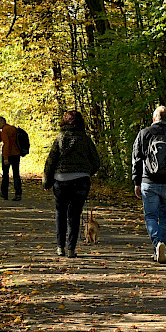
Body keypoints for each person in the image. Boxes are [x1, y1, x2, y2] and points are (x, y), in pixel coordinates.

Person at [131, 105, 166, 264]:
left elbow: (137, 160)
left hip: (149, 182)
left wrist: (136, 182)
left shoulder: (144, 134)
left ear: (154, 118)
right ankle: (161, 245)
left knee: (150, 216)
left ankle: (157, 243)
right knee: (165, 217)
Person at [43, 110, 100, 258]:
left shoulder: (59, 138)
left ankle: (60, 247)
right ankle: (71, 249)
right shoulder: (85, 139)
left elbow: (51, 161)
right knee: (74, 214)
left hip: (60, 180)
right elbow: (96, 162)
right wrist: (86, 172)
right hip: (81, 180)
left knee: (60, 213)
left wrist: (47, 182)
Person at [0, 116, 23, 202]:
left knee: (5, 175)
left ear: (3, 121)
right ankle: (18, 193)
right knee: (16, 174)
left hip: (8, 155)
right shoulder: (14, 129)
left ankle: (4, 193)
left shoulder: (5, 130)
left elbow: (6, 144)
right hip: (16, 154)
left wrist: (6, 158)